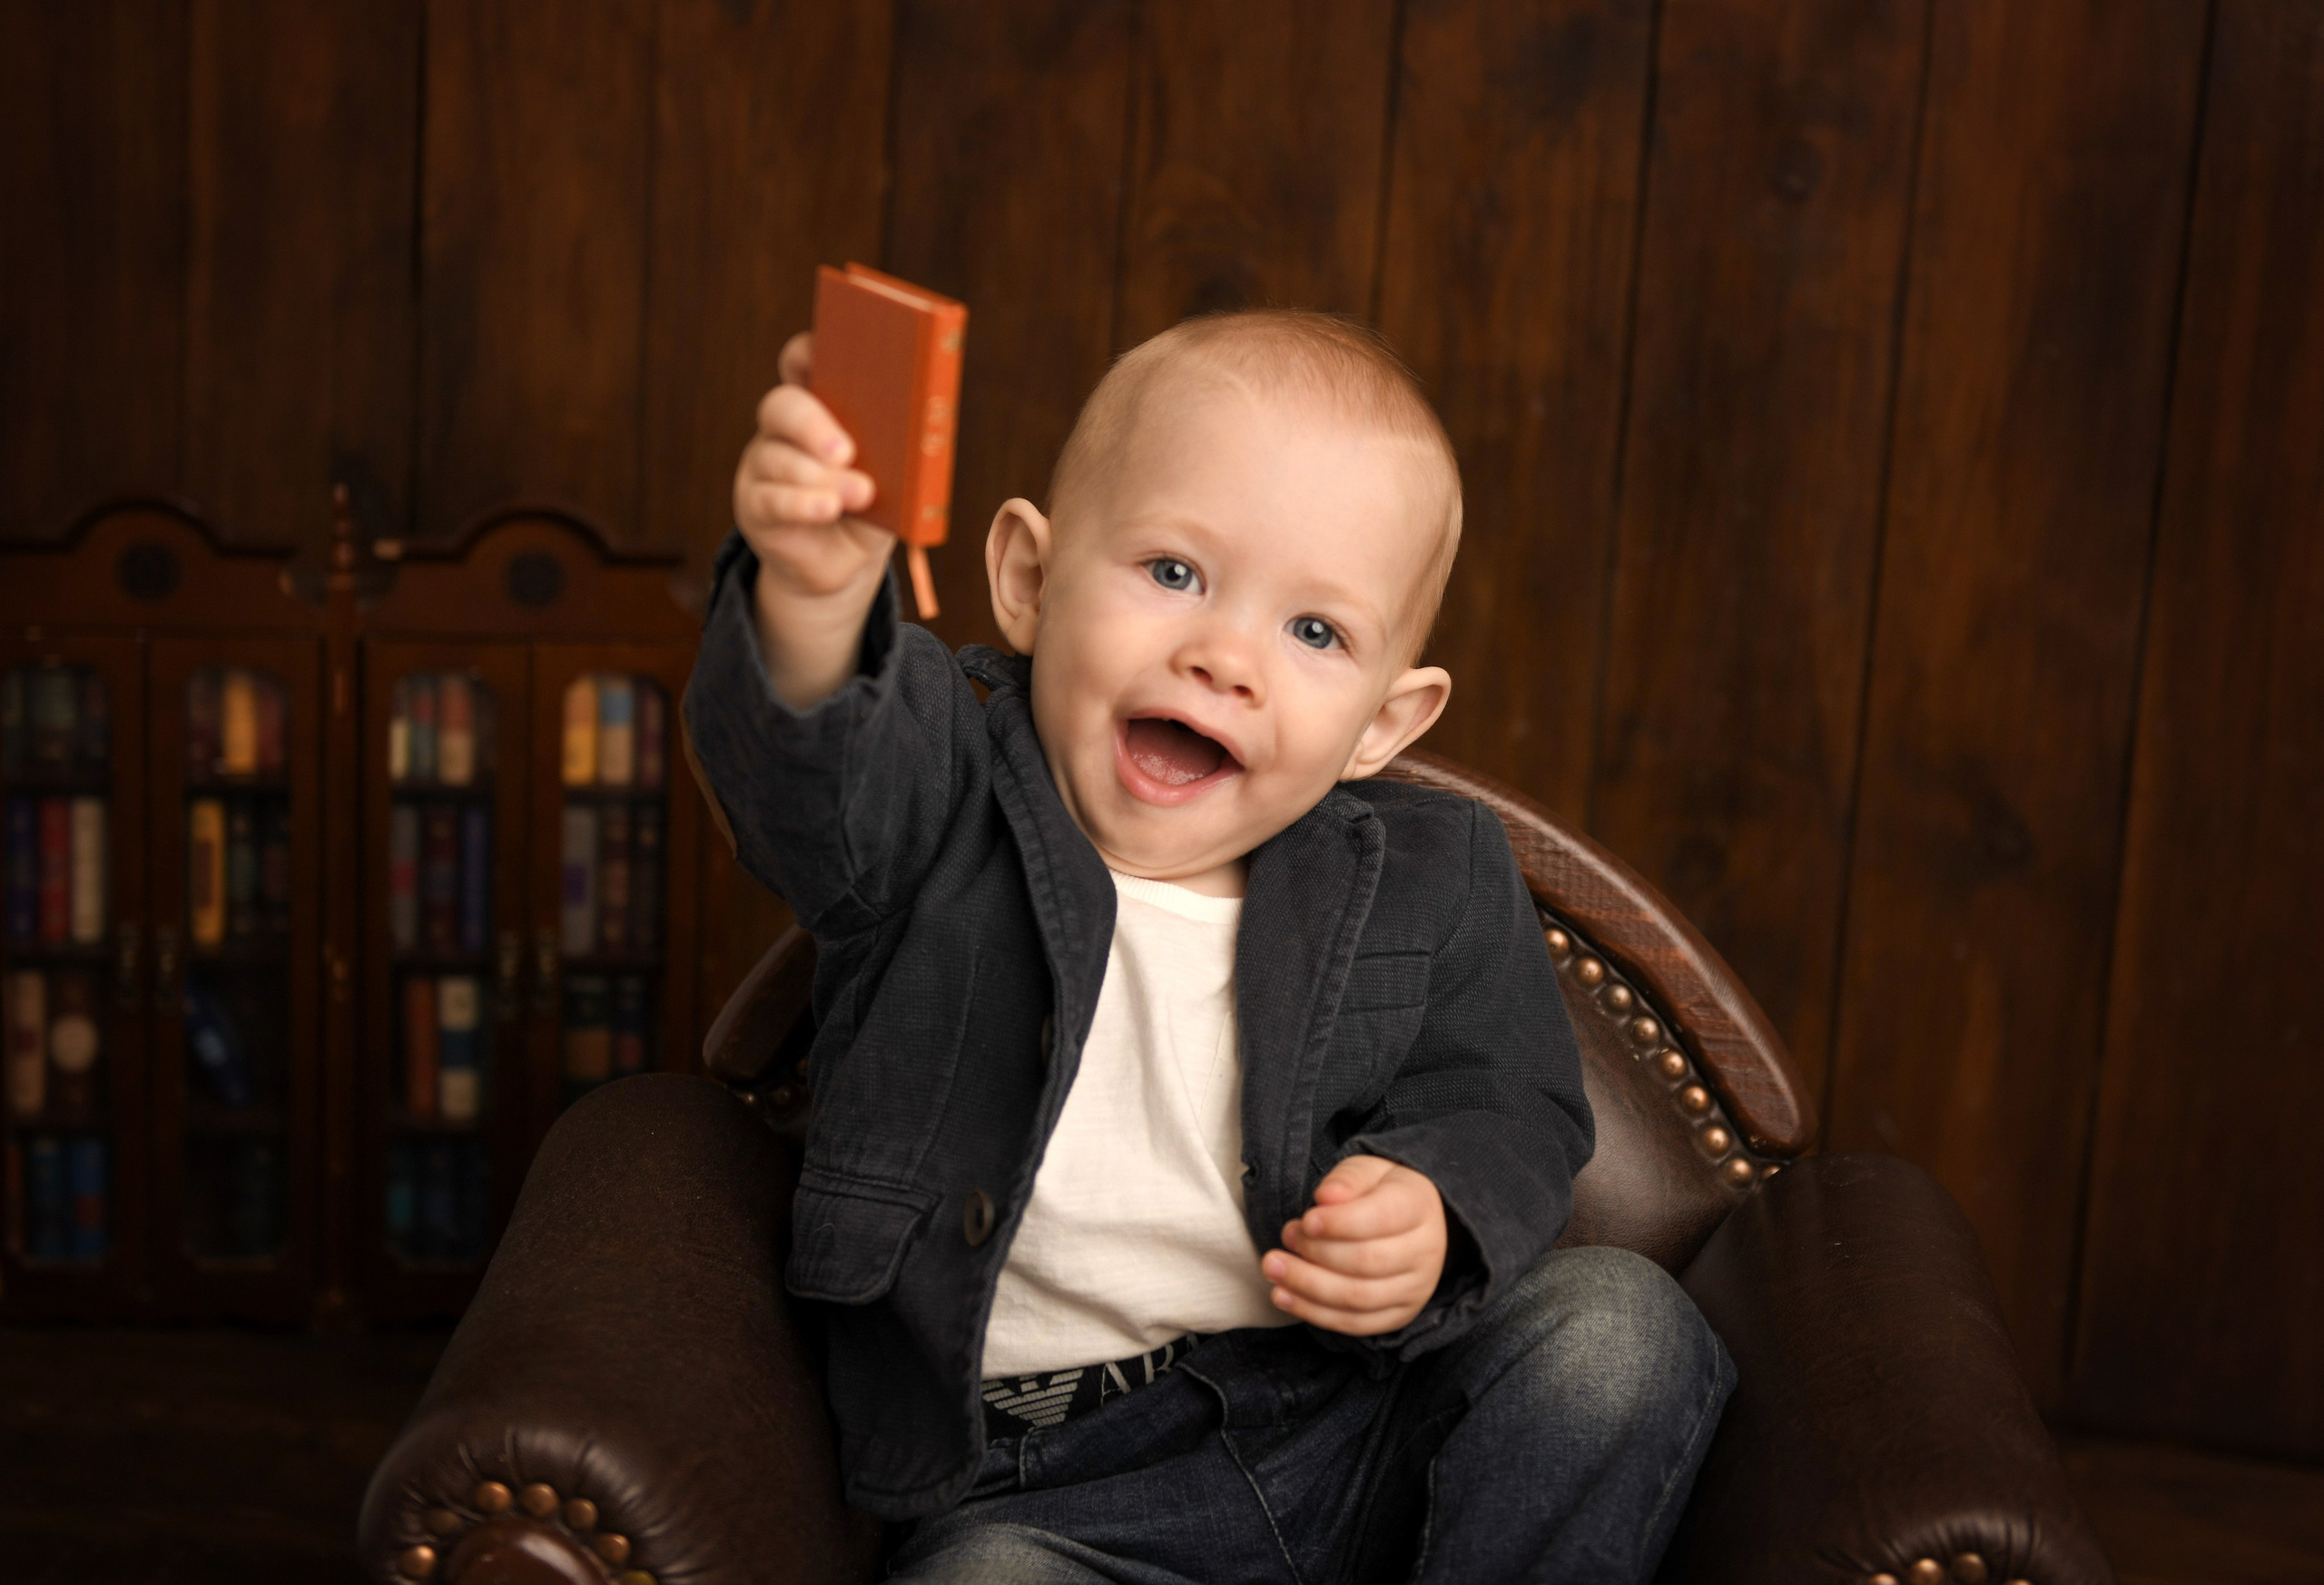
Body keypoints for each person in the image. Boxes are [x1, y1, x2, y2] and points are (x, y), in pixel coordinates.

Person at [681, 309, 1733, 1583]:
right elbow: (816, 778)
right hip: (1050, 1486)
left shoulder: (1433, 878)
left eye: (1316, 633)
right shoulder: (938, 806)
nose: (1224, 655)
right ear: (1026, 576)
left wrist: (1435, 1210)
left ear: (1382, 724)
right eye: (1174, 570)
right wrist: (813, 594)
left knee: (1624, 1332)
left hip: (1350, 1423)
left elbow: (1507, 1101)